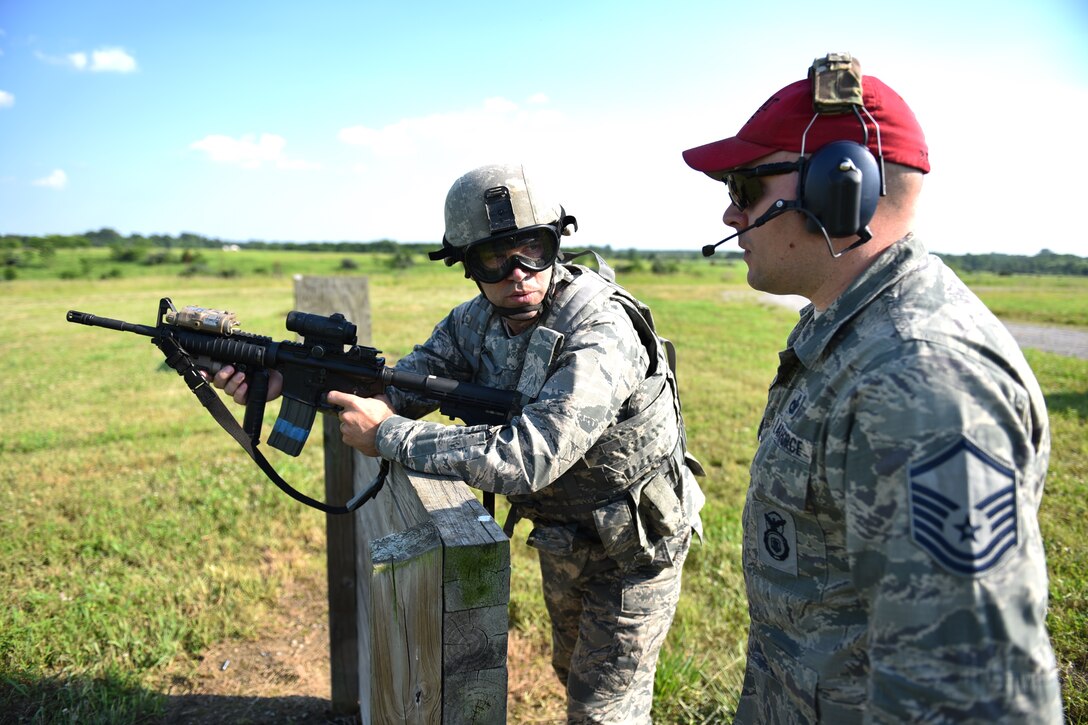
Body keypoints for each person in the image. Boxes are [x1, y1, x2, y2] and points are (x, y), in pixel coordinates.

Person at [213, 163, 705, 724]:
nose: (517, 273)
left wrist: (390, 437)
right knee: (572, 671)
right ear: (466, 265)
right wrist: (288, 380)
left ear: (557, 244)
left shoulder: (600, 331)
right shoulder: (474, 322)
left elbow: (530, 455)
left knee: (604, 711)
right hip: (566, 536)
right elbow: (402, 386)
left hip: (633, 542)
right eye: (494, 258)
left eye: (533, 250)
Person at [681, 53, 1062, 723]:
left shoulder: (919, 382)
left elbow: (967, 698)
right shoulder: (853, 334)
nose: (728, 214)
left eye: (744, 185)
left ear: (837, 187)